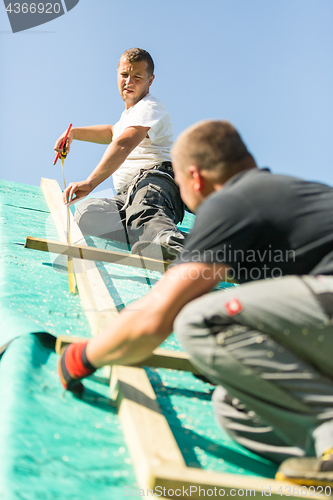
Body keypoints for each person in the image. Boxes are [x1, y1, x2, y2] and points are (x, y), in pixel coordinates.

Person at [58, 120, 333, 486]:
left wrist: (83, 356)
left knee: (201, 318)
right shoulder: (289, 198)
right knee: (235, 407)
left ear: (195, 178)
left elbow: (158, 318)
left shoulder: (234, 200)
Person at [54, 48, 185, 261]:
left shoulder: (150, 107)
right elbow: (111, 132)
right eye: (124, 75)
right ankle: (154, 236)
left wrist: (90, 182)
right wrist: (74, 134)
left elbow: (123, 143)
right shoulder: (128, 116)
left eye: (137, 77)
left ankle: (174, 245)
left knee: (145, 210)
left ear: (150, 81)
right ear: (117, 73)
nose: (129, 82)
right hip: (126, 196)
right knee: (87, 214)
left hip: (155, 182)